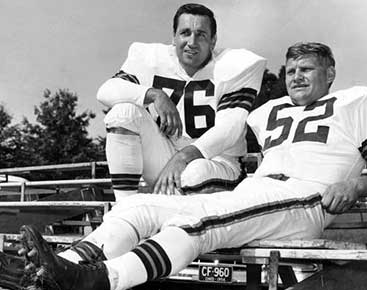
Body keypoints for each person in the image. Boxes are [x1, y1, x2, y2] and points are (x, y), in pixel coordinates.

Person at [0, 42, 367, 290]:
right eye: (291, 69)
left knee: (201, 221)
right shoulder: (270, 110)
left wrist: (356, 185)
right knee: (137, 208)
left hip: (306, 199)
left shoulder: (358, 103)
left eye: (307, 69)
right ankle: (48, 270)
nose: (296, 76)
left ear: (330, 72)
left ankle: (97, 281)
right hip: (257, 192)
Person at [96, 3, 266, 200]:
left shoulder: (232, 65)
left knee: (194, 172)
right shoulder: (151, 59)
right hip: (167, 159)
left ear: (213, 41)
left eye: (201, 34)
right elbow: (105, 91)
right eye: (185, 33)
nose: (192, 42)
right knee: (122, 113)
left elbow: (229, 129)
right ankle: (125, 207)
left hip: (218, 162)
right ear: (174, 37)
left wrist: (183, 157)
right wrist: (155, 95)